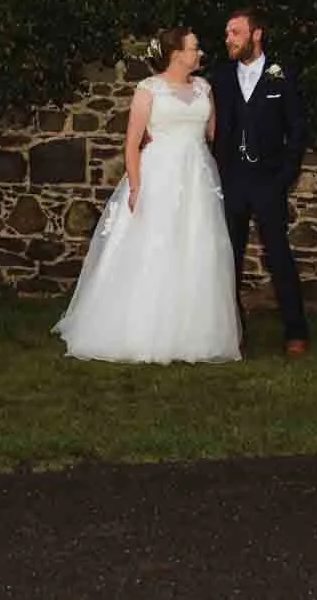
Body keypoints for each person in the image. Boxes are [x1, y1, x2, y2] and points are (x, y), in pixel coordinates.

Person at [52, 27, 242, 364]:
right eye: (194, 48)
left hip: (197, 176)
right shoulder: (148, 90)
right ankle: (141, 329)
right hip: (160, 176)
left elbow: (214, 133)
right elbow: (132, 143)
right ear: (176, 53)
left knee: (196, 246)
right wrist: (137, 187)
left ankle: (193, 333)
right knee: (155, 245)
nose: (200, 54)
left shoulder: (204, 88)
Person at [207, 7, 311, 357]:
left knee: (279, 255)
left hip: (268, 181)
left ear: (256, 34)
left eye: (235, 33)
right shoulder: (220, 77)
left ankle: (296, 331)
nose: (228, 40)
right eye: (226, 34)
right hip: (232, 180)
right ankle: (232, 332)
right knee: (229, 258)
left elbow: (297, 129)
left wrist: (285, 176)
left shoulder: (282, 75)